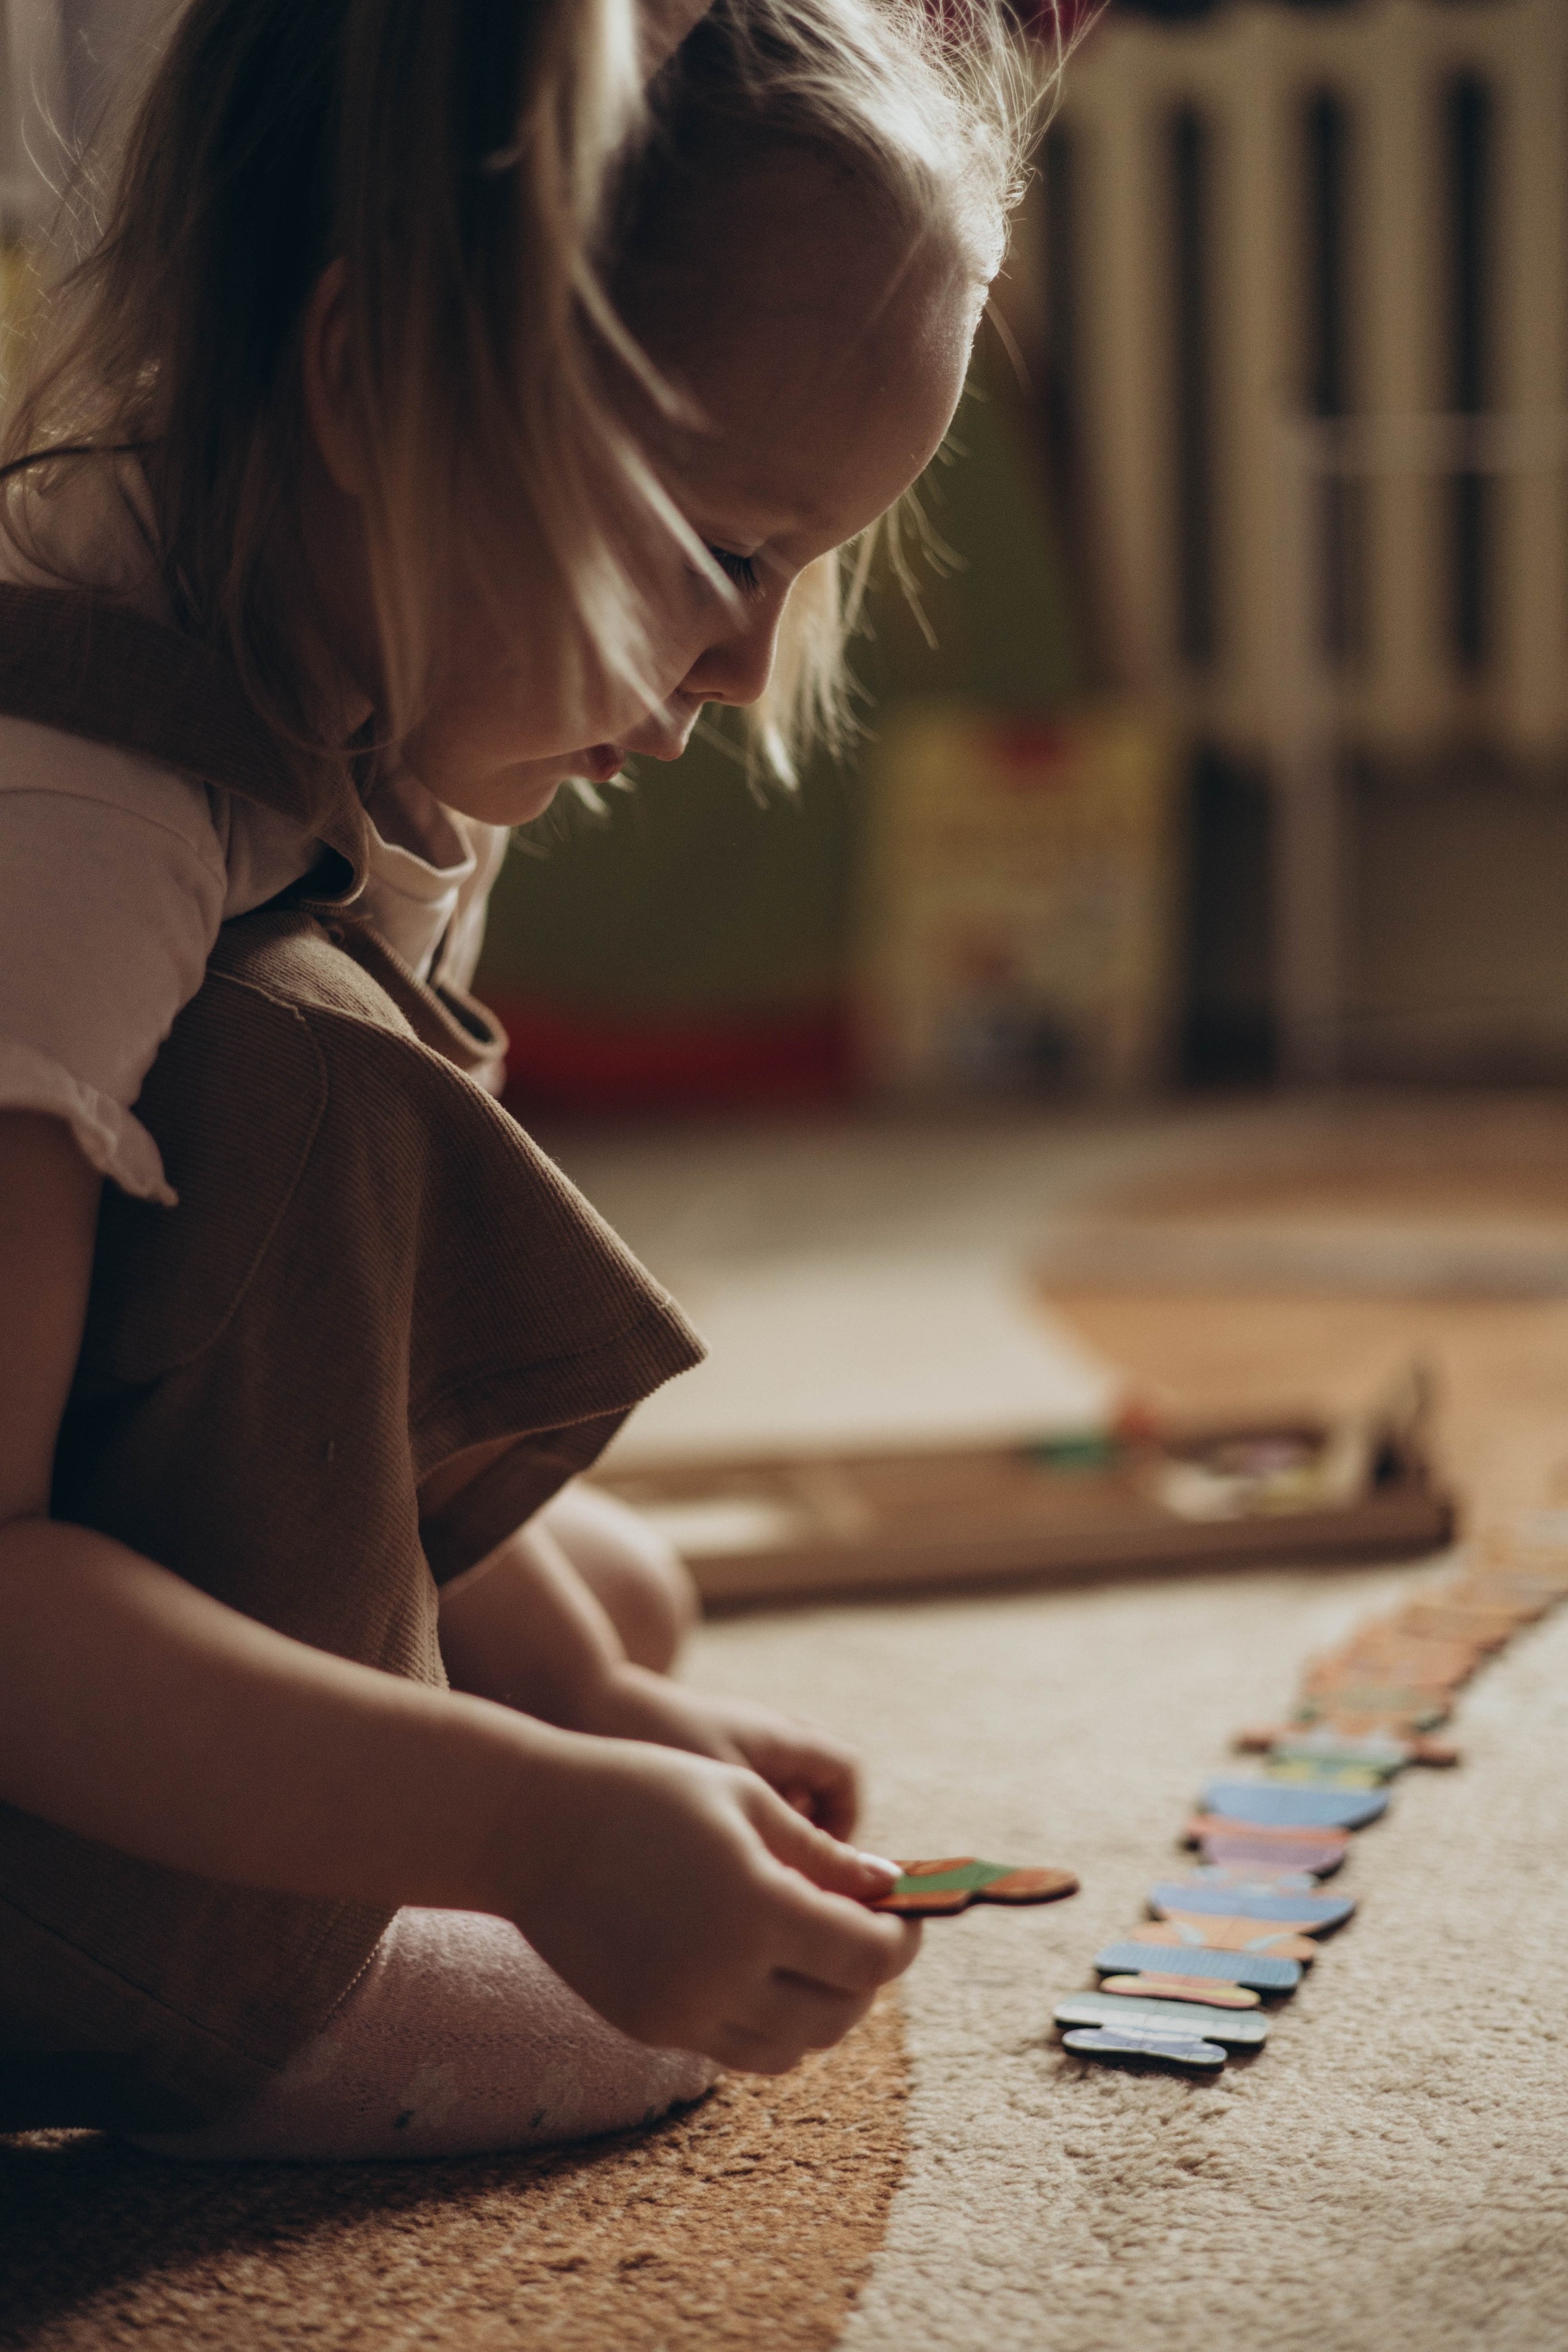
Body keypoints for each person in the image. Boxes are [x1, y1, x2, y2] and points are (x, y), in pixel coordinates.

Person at [0, 0, 1046, 2160]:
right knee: (296, 1063)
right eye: (725, 550)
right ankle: (197, 1993)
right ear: (374, 380)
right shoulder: (67, 820)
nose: (751, 662)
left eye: (809, 565)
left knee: (610, 1606)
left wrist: (599, 1720)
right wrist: (535, 1832)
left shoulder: (332, 659)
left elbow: (334, 1370)